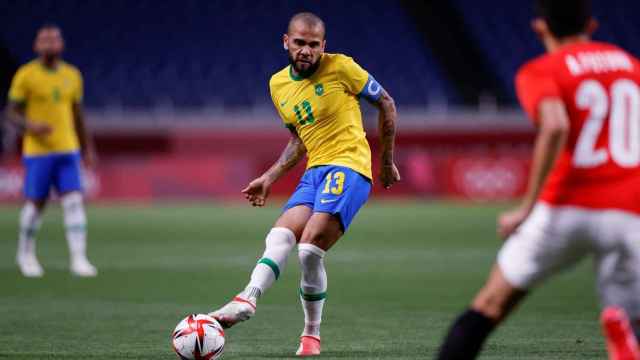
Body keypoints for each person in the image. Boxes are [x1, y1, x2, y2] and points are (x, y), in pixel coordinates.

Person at [436, 1, 640, 359]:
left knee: (489, 305)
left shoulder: (540, 71)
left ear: (540, 28)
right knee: (630, 323)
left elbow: (556, 123)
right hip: (630, 211)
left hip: (565, 208)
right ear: (591, 24)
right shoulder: (631, 67)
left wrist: (527, 207)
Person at [211, 12, 400, 357]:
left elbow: (386, 102)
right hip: (315, 172)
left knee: (310, 248)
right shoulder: (278, 85)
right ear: (286, 42)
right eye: (299, 43)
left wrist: (385, 161)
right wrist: (270, 176)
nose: (306, 51)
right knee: (280, 235)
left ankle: (310, 337)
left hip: (350, 166)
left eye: (314, 45)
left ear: (323, 46)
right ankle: (247, 299)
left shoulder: (342, 67)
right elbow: (300, 138)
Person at [6, 24, 98, 278]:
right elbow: (11, 112)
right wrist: (30, 125)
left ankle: (79, 259)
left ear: (61, 44)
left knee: (74, 201)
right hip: (38, 151)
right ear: (36, 45)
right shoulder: (26, 75)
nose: (50, 43)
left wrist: (87, 146)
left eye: (54, 39)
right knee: (36, 204)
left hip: (68, 149)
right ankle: (25, 255)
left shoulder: (72, 75)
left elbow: (78, 115)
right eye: (44, 39)